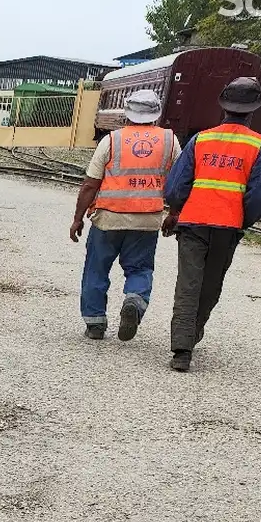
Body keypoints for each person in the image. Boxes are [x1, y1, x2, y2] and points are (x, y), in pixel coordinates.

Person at [161, 77, 261, 372]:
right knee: (211, 286)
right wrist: (241, 221)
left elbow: (176, 187)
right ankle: (192, 335)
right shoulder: (260, 146)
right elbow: (259, 196)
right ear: (254, 109)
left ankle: (182, 350)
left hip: (193, 224)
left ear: (223, 105)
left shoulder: (201, 139)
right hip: (228, 227)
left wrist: (176, 211)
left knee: (187, 284)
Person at [70, 90, 179, 342]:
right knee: (140, 268)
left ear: (127, 113)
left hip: (108, 218)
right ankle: (135, 300)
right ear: (156, 114)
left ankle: (95, 324)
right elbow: (178, 183)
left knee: (96, 269)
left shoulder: (112, 140)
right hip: (147, 220)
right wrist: (174, 214)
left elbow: (90, 184)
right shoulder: (170, 141)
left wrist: (77, 218)